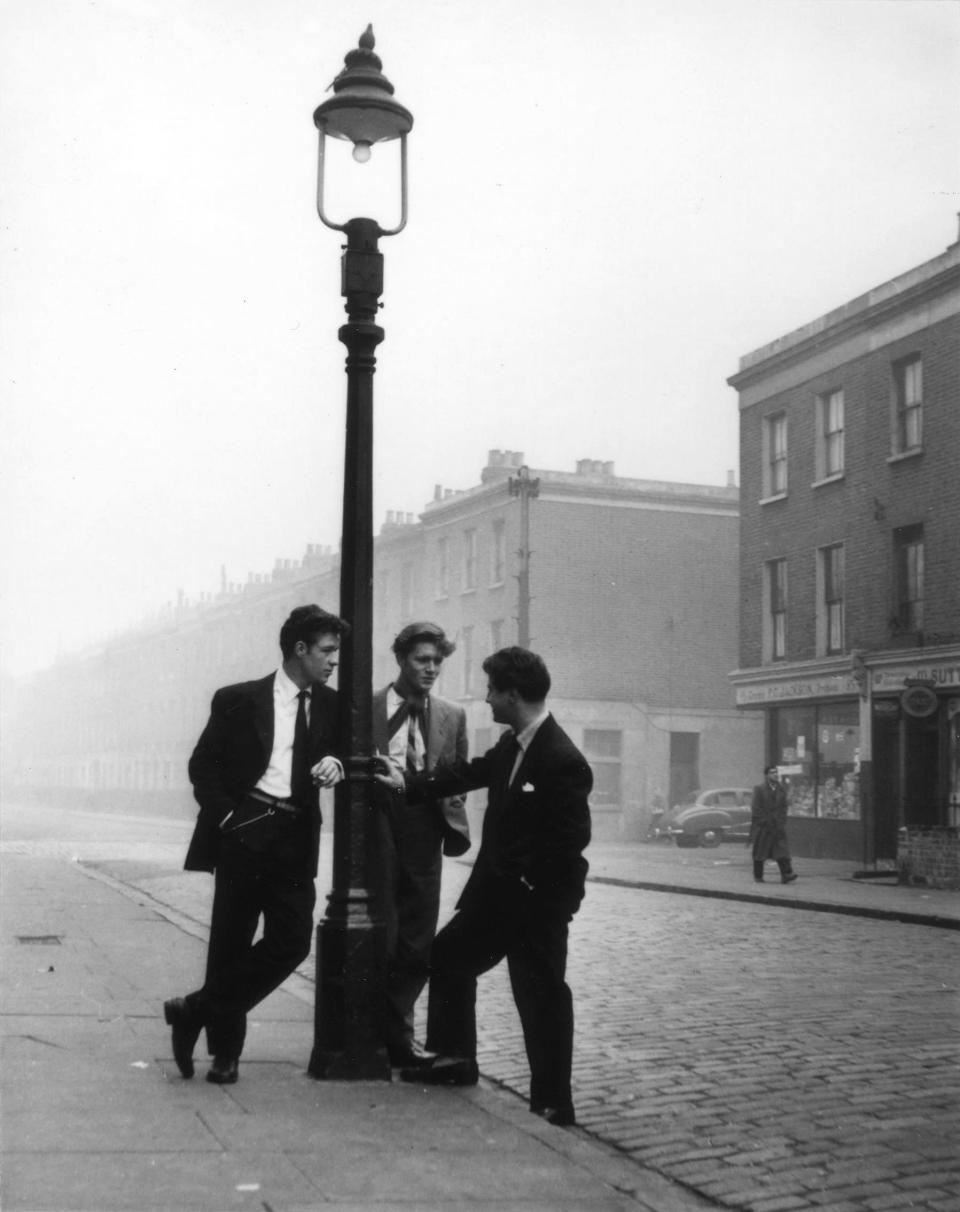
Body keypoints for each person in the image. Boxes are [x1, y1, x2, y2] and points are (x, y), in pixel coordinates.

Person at [375, 646, 592, 1127]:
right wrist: (407, 783)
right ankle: (456, 1060)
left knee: (541, 997)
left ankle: (554, 1102)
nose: (487, 699)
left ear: (513, 694)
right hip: (496, 901)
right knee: (448, 958)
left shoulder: (562, 759)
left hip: (535, 908)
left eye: (492, 690)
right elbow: (467, 773)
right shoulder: (514, 745)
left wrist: (540, 896)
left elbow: (571, 845)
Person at [164, 604, 349, 1085]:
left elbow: (344, 752)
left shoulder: (331, 704)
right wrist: (228, 818)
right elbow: (202, 766)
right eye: (328, 651)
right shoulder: (238, 699)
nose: (334, 661)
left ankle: (194, 1008)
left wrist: (336, 763)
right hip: (245, 832)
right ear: (300, 649)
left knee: (291, 943)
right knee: (231, 944)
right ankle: (226, 1056)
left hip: (295, 837)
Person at [371, 622, 470, 1068]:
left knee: (417, 938)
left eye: (437, 661)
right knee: (382, 931)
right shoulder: (367, 707)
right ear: (401, 660)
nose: (431, 669)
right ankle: (376, 1033)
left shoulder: (452, 714)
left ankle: (400, 1037)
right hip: (379, 825)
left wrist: (442, 806)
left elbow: (459, 774)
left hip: (425, 829)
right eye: (421, 660)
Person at [749, 764, 797, 884]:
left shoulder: (781, 789)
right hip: (764, 827)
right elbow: (756, 807)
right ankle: (758, 876)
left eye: (776, 772)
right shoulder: (759, 789)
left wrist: (781, 821)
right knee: (760, 852)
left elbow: (783, 807)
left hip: (777, 826)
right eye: (772, 772)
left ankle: (786, 874)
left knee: (781, 850)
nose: (775, 774)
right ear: (766, 775)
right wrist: (763, 821)